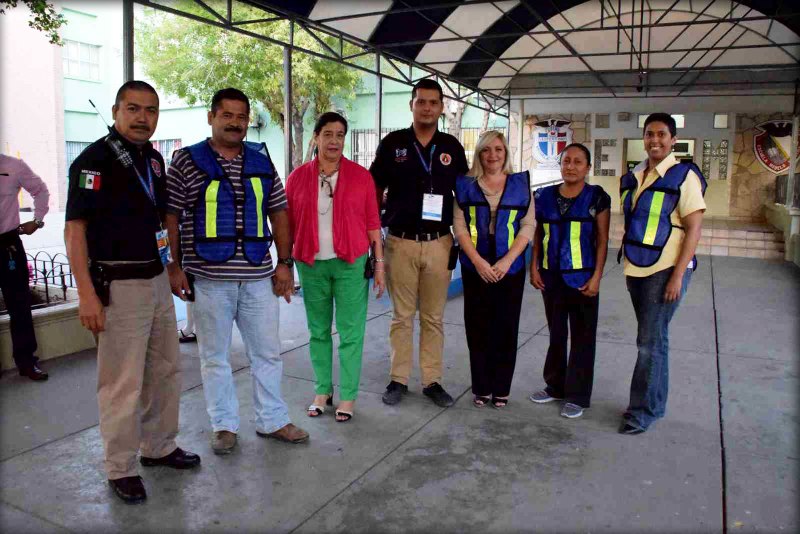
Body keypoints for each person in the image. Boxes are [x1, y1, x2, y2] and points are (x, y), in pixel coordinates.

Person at [64, 81, 200, 504]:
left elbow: (159, 221)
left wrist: (172, 268)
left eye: (151, 110)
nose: (143, 118)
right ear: (116, 111)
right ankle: (120, 467)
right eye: (134, 109)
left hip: (157, 281)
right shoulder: (93, 161)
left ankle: (159, 446)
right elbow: (75, 231)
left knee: (165, 370)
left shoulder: (154, 161)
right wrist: (86, 295)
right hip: (119, 285)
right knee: (122, 382)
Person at [165, 87, 308, 455]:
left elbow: (279, 212)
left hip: (259, 277)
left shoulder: (262, 162)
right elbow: (170, 217)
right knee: (214, 357)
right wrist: (173, 266)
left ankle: (272, 420)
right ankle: (224, 426)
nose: (234, 123)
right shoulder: (185, 161)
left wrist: (285, 263)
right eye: (226, 115)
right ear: (211, 117)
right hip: (209, 280)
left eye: (241, 117)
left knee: (268, 353)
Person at [371, 79, 468, 408]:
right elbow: (374, 186)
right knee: (401, 316)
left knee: (433, 317)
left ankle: (432, 381)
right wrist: (373, 227)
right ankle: (398, 379)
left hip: (439, 242)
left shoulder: (451, 146)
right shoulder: (393, 144)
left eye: (433, 102)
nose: (427, 108)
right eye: (421, 102)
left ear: (441, 108)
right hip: (400, 242)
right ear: (411, 105)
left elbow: (465, 193)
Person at [286, 112, 385, 422]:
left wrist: (380, 265)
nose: (334, 141)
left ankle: (349, 396)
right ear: (316, 137)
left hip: (351, 264)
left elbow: (373, 224)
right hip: (311, 265)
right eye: (327, 134)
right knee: (318, 331)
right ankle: (322, 390)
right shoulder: (297, 178)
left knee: (351, 332)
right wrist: (284, 265)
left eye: (340, 135)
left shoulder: (361, 177)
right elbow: (287, 225)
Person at [617, 113, 706, 434]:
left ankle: (641, 412)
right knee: (654, 339)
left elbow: (694, 228)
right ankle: (653, 404)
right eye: (649, 134)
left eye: (661, 134)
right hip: (636, 267)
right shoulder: (634, 176)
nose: (655, 140)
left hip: (665, 269)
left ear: (673, 140)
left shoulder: (684, 176)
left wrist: (678, 276)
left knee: (649, 342)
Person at [528, 143, 611, 419]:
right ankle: (555, 386)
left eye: (577, 162)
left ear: (588, 168)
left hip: (582, 278)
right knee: (556, 333)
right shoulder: (543, 196)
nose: (571, 166)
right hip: (550, 277)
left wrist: (597, 277)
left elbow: (602, 240)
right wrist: (534, 267)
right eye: (566, 161)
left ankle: (578, 396)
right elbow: (537, 234)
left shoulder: (597, 197)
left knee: (582, 337)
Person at [453, 130, 534, 409]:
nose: (493, 155)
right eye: (486, 149)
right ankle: (482, 387)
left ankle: (501, 388)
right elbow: (460, 227)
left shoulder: (520, 185)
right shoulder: (465, 185)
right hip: (475, 266)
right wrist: (478, 262)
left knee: (506, 328)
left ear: (506, 153)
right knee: (477, 328)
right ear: (479, 154)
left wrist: (507, 261)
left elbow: (528, 226)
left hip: (509, 268)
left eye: (498, 149)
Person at [0, 155, 50, 381]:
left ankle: (27, 361)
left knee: (19, 306)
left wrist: (37, 221)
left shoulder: (14, 166)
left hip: (7, 245)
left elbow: (41, 190)